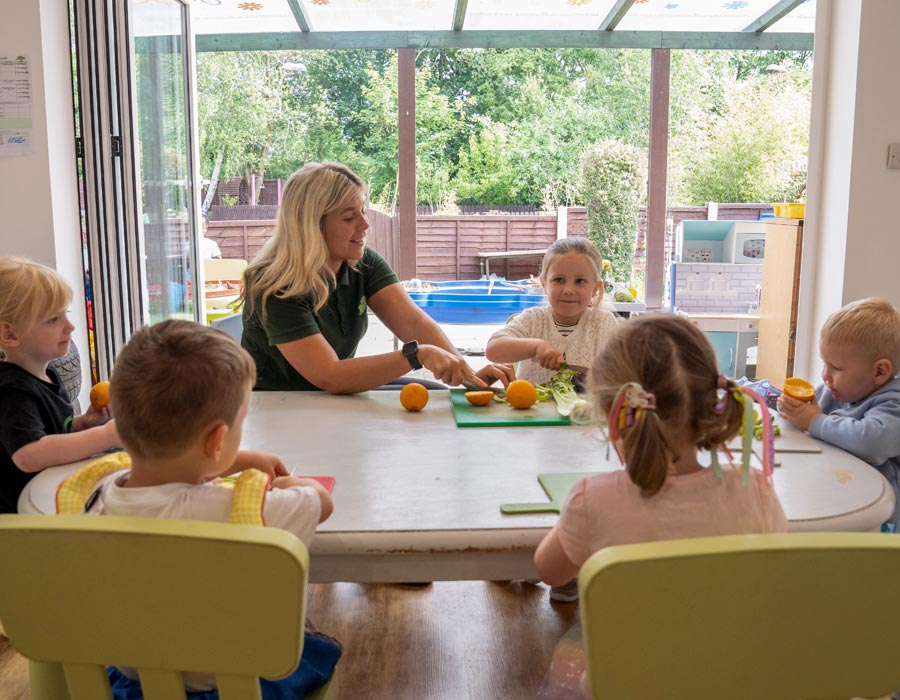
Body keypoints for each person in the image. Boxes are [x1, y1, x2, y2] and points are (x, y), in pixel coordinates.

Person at [533, 314, 786, 699]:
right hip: (734, 679)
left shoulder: (591, 500)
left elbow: (549, 571)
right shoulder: (755, 489)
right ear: (709, 405)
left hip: (625, 682)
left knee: (573, 648)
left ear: (610, 412)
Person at [90, 319, 338, 698]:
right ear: (218, 440)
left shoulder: (94, 499)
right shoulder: (243, 513)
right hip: (232, 686)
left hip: (136, 683)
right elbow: (321, 503)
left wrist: (228, 460)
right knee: (308, 652)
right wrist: (291, 483)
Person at [239, 161, 515, 393]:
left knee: (435, 393)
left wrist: (469, 375)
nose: (365, 224)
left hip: (333, 399)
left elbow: (413, 321)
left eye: (362, 211)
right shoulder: (275, 287)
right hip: (278, 407)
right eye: (349, 218)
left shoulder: (362, 262)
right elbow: (331, 376)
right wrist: (417, 354)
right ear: (311, 226)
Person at [0, 256, 120, 513]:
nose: (70, 326)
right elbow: (29, 454)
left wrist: (83, 424)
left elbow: (46, 430)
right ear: (10, 334)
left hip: (46, 494)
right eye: (53, 320)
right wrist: (106, 436)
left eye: (64, 313)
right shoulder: (11, 391)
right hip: (20, 515)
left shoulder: (49, 373)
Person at [778, 297, 900, 532]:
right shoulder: (835, 390)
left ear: (880, 371)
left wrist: (814, 420)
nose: (825, 375)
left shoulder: (893, 403)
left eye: (837, 368)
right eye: (824, 364)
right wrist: (793, 412)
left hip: (879, 515)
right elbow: (808, 426)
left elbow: (872, 442)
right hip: (835, 486)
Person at [485, 237, 618, 386]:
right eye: (559, 280)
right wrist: (537, 347)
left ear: (595, 288)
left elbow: (623, 371)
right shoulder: (533, 319)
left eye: (580, 281)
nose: (568, 290)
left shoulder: (604, 323)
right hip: (530, 407)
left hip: (585, 408)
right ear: (544, 283)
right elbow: (493, 350)